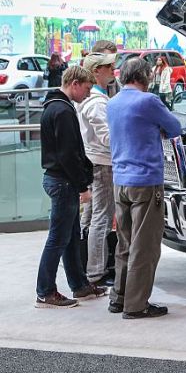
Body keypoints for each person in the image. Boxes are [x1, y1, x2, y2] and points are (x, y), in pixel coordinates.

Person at [106, 58, 182, 319]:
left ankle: (119, 297)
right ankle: (137, 305)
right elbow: (175, 128)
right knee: (145, 245)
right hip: (146, 181)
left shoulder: (112, 103)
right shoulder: (148, 101)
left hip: (121, 181)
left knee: (124, 242)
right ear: (145, 76)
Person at [36, 65, 108, 308]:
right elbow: (68, 154)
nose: (88, 94)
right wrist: (82, 186)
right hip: (63, 182)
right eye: (87, 89)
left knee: (68, 237)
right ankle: (45, 291)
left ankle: (79, 285)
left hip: (58, 179)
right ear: (74, 83)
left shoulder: (53, 107)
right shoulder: (63, 111)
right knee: (58, 238)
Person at [76, 45, 118, 288]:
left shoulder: (94, 98)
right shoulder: (97, 102)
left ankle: (89, 268)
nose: (113, 70)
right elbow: (107, 137)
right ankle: (95, 272)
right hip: (102, 164)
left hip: (96, 162)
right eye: (109, 67)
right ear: (97, 71)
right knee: (100, 217)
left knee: (93, 217)